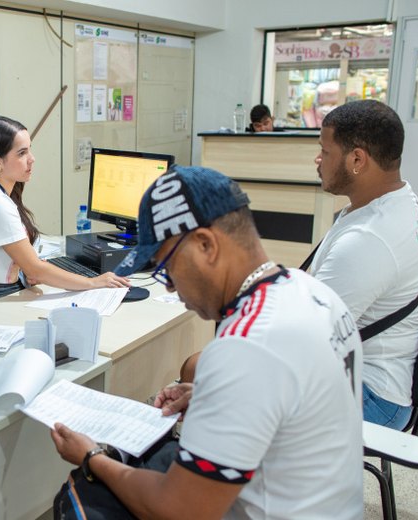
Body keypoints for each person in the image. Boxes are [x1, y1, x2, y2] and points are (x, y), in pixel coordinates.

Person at [49, 167, 363, 519]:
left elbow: (177, 510)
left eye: (166, 266)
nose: (168, 285)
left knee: (85, 495)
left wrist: (93, 458)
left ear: (205, 245)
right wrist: (210, 395)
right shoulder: (314, 293)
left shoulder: (245, 346)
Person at [311, 99, 418, 430]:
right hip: (376, 375)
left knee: (208, 372)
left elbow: (307, 341)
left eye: (326, 150)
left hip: (372, 397)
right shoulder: (399, 200)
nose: (318, 160)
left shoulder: (369, 240)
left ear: (357, 159)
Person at [0, 116, 130, 314]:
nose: (32, 158)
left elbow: (26, 266)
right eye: (22, 153)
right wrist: (93, 282)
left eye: (30, 149)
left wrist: (28, 270)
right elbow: (35, 269)